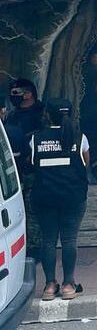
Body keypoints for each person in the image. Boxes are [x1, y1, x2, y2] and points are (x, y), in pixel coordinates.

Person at [29, 99, 89, 301]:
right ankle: (69, 285)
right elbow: (85, 163)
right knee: (69, 239)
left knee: (48, 240)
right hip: (73, 198)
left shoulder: (36, 139)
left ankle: (49, 286)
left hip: (44, 197)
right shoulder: (80, 137)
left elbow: (32, 163)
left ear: (48, 115)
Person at [7, 79, 45, 260]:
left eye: (17, 93)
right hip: (13, 171)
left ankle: (34, 248)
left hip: (35, 171)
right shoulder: (13, 116)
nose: (14, 97)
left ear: (28, 94)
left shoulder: (43, 113)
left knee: (33, 210)